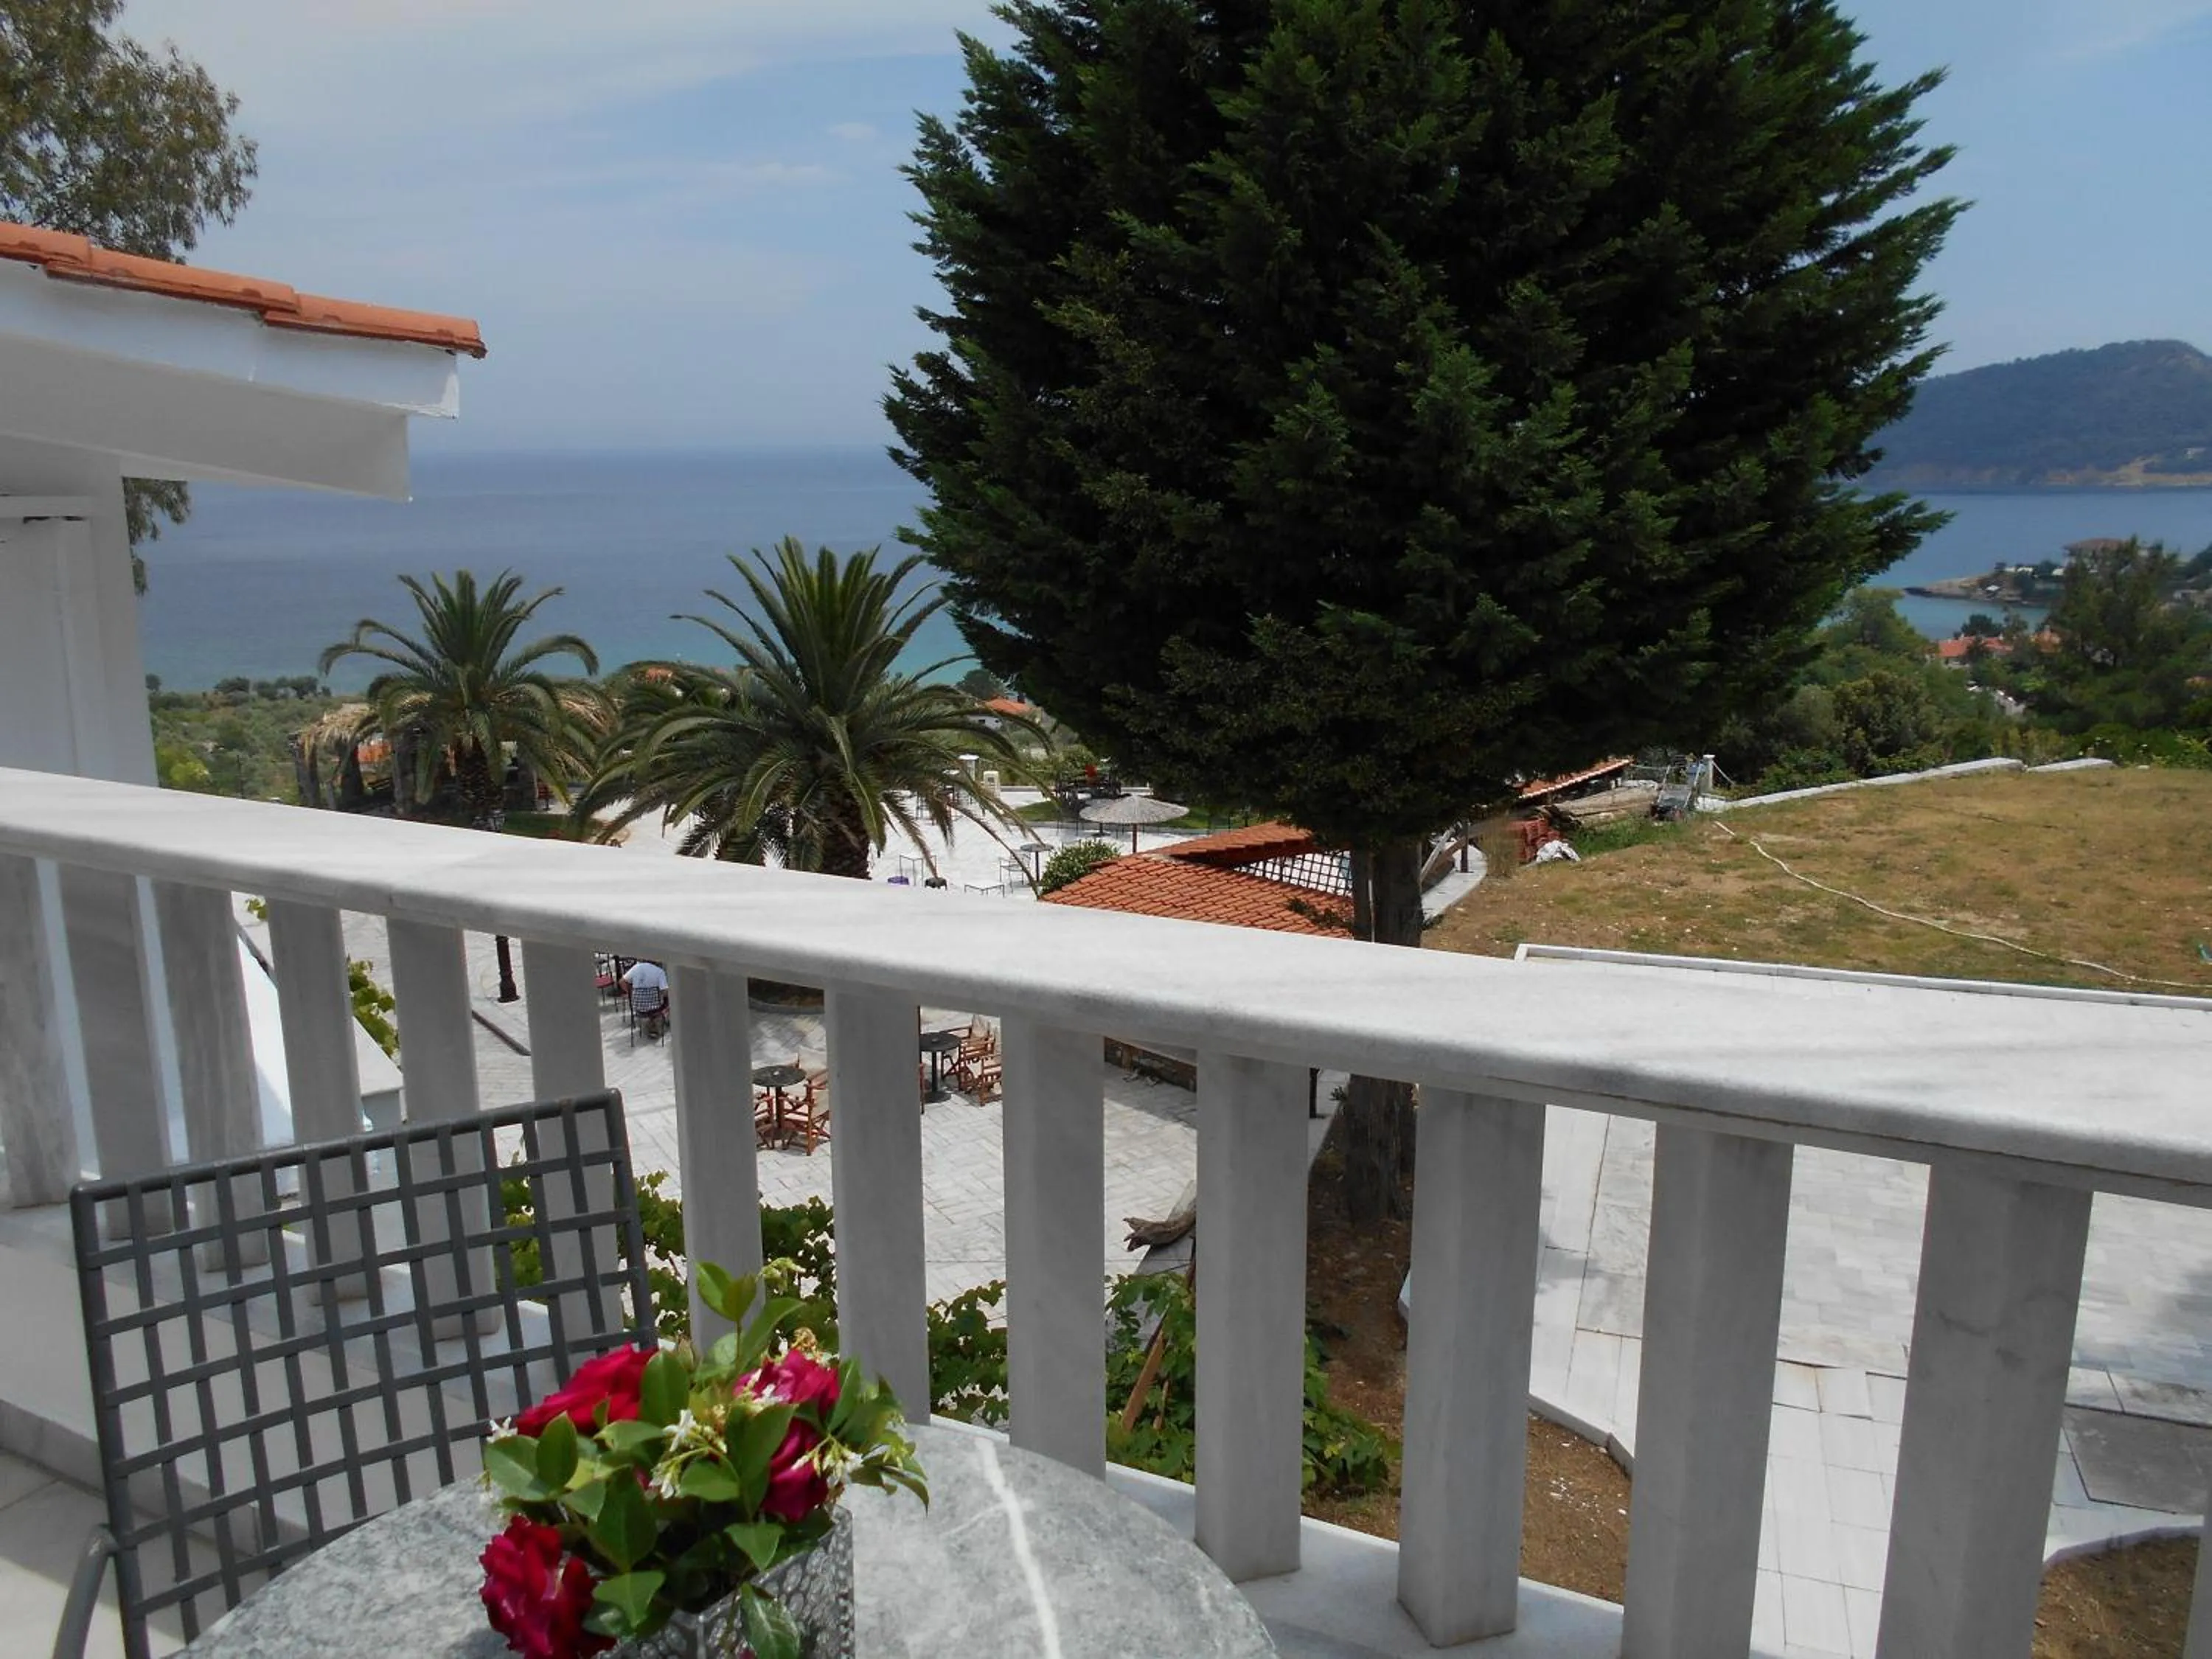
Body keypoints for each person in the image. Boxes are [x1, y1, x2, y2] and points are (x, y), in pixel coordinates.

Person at [622, 959, 669, 1040]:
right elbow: (665, 992)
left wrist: (630, 993)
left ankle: (652, 1023)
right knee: (667, 1000)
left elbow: (621, 982)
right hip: (655, 1008)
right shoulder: (659, 971)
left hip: (638, 1009)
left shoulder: (636, 968)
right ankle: (656, 1022)